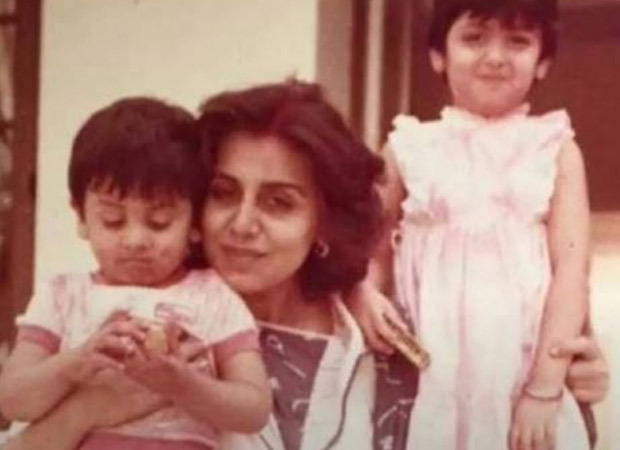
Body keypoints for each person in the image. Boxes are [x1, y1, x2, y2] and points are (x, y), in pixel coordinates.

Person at [1, 81, 610, 450]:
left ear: (323, 221)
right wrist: (87, 411)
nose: (242, 224)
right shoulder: (121, 315)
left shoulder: (392, 345)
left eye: (278, 202)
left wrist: (564, 375)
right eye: (222, 192)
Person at [348, 0, 596, 449]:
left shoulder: (555, 149)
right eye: (474, 38)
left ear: (542, 62)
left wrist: (543, 388)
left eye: (518, 42)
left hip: (520, 365)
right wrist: (365, 290)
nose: (495, 57)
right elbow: (372, 247)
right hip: (429, 362)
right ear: (438, 55)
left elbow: (571, 271)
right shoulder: (408, 146)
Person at [0, 97, 271, 449]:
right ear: (82, 217)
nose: (135, 240)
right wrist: (74, 365)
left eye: (159, 222)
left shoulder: (211, 295)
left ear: (194, 223)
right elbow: (12, 400)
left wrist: (182, 383)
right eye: (112, 220)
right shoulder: (63, 295)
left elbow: (254, 409)